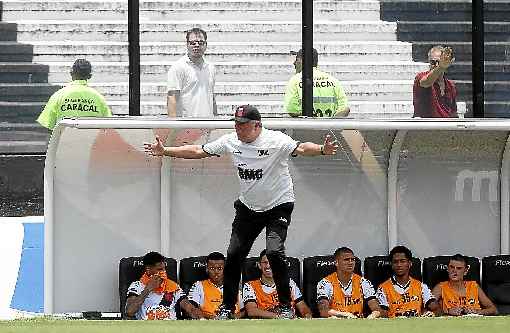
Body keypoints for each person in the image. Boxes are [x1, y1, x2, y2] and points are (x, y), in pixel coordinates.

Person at [144, 104, 339, 319]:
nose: (239, 129)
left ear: (258, 125)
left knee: (274, 252)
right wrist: (165, 151)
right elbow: (199, 150)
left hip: (278, 205)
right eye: (237, 125)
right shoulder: (231, 141)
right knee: (234, 255)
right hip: (248, 208)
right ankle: (228, 307)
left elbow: (302, 148)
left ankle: (285, 306)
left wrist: (322, 149)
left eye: (244, 125)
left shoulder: (275, 140)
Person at [36, 58, 112, 130]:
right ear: (89, 76)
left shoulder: (58, 96)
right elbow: (109, 125)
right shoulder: (99, 98)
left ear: (71, 73)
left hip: (64, 142)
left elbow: (47, 125)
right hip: (91, 142)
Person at [243, 250, 312, 319]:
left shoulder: (289, 282)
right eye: (265, 262)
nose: (268, 266)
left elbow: (302, 307)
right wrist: (279, 317)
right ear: (259, 265)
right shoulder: (249, 286)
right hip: (264, 325)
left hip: (290, 325)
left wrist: (307, 316)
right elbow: (251, 311)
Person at [317, 247, 382, 319]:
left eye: (353, 260)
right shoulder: (325, 283)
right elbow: (323, 311)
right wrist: (344, 314)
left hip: (358, 324)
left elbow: (377, 309)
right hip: (336, 324)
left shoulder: (363, 282)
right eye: (346, 260)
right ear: (336, 263)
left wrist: (373, 315)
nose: (350, 263)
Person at [376, 246, 440, 318]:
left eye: (402, 261)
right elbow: (383, 314)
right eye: (395, 262)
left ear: (409, 263)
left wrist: (431, 313)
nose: (399, 265)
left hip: (417, 325)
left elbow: (437, 309)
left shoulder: (420, 286)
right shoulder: (383, 288)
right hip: (394, 325)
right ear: (392, 265)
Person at [284, 48, 349, 118]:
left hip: (305, 127)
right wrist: (330, 124)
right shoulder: (333, 80)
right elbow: (345, 109)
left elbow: (291, 109)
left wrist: (311, 118)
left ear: (303, 61)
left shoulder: (295, 80)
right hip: (329, 127)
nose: (294, 63)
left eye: (297, 59)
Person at [167, 27, 216, 117]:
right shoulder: (178, 67)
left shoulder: (210, 67)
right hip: (187, 125)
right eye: (193, 43)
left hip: (208, 123)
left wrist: (215, 119)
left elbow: (212, 97)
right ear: (187, 45)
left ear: (206, 45)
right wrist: (174, 127)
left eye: (200, 43)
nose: (196, 45)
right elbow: (172, 98)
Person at [180, 252, 244, 319]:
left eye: (219, 268)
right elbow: (190, 310)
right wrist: (213, 318)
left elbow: (245, 310)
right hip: (208, 324)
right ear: (207, 269)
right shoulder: (199, 286)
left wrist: (235, 317)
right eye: (212, 268)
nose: (216, 272)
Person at [431, 254, 497, 316]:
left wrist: (477, 312)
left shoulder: (474, 286)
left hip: (474, 323)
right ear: (448, 269)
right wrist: (447, 311)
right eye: (452, 267)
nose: (454, 271)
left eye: (459, 268)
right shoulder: (440, 287)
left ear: (465, 271)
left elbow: (493, 309)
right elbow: (427, 310)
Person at [125, 251, 184, 320]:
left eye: (164, 268)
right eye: (160, 269)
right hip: (147, 328)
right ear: (148, 270)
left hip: (171, 327)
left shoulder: (173, 286)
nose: (164, 272)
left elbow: (189, 308)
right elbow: (129, 311)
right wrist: (148, 289)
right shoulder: (137, 286)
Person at [413, 45, 457, 118]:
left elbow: (453, 114)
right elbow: (426, 82)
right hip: (425, 127)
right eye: (433, 62)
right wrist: (441, 67)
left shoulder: (450, 85)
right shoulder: (420, 77)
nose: (436, 65)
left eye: (439, 62)